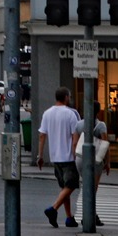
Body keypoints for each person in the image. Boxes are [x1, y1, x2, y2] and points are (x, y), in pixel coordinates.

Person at [38, 87, 82, 228]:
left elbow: (42, 135)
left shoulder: (47, 113)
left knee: (64, 187)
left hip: (55, 157)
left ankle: (69, 218)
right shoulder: (71, 114)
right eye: (69, 96)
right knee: (72, 185)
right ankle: (53, 208)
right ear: (66, 97)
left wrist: (40, 155)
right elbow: (75, 138)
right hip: (68, 157)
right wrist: (76, 155)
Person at [73, 105, 110, 227]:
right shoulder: (101, 125)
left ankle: (90, 214)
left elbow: (74, 143)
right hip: (95, 160)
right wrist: (108, 162)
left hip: (80, 158)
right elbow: (105, 144)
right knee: (93, 189)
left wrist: (75, 156)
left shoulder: (78, 124)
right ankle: (90, 215)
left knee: (86, 185)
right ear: (98, 111)